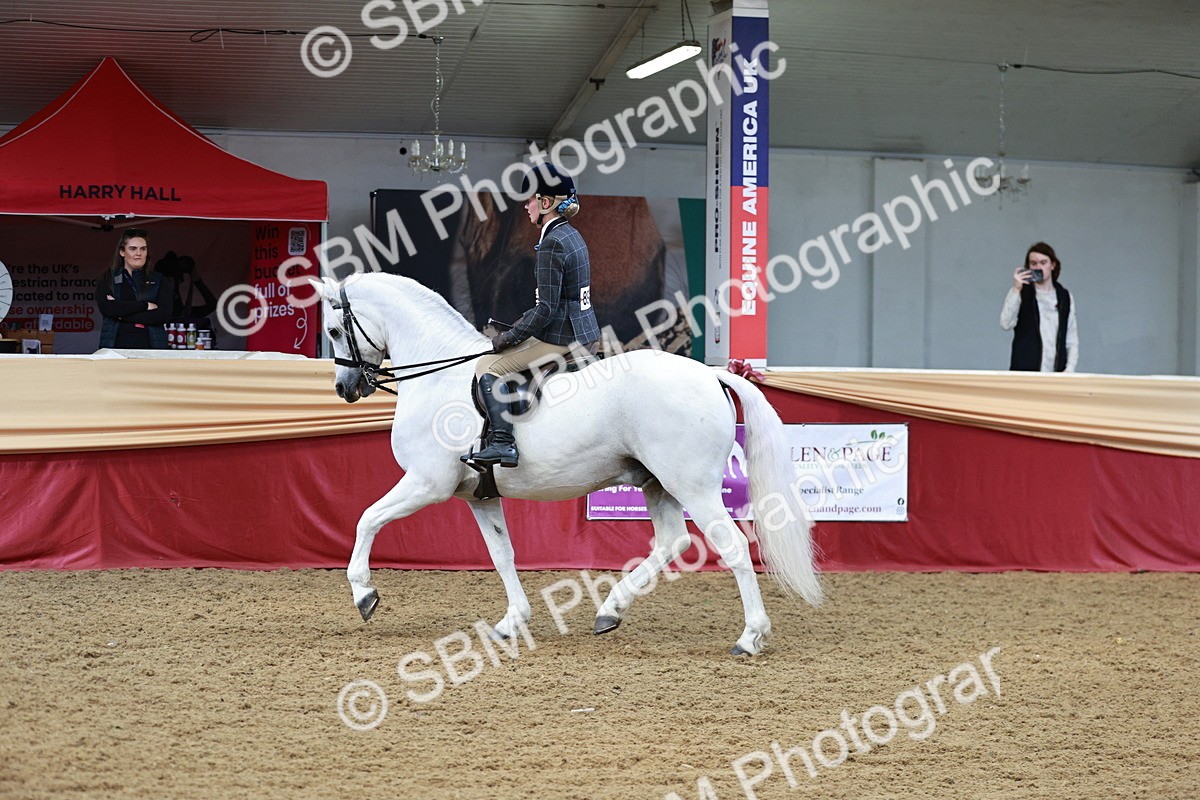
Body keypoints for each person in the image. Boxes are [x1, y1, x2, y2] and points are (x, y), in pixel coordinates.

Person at [465, 164, 601, 469]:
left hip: (563, 337)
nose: (525, 206)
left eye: (530, 200)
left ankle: (503, 443)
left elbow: (546, 310)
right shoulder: (571, 235)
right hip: (583, 329)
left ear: (546, 202)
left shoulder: (551, 243)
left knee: (488, 367)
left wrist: (507, 338)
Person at [1000, 241, 1078, 372]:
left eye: (1043, 262)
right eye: (1033, 263)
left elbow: (1071, 336)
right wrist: (1016, 289)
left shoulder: (1064, 297)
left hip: (1056, 374)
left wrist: (1069, 369)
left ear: (1053, 265)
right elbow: (1006, 323)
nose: (1038, 267)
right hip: (1025, 373)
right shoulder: (1021, 292)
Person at [95, 228, 174, 350]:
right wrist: (145, 306)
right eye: (133, 249)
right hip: (114, 349)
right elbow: (108, 309)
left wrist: (121, 313)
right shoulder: (108, 278)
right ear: (122, 252)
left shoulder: (159, 280)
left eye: (143, 249)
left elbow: (164, 315)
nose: (139, 253)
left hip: (152, 349)